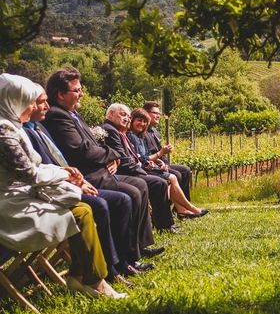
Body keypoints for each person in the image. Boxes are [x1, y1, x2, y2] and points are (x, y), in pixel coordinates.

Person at [0, 73, 125, 299]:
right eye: (30, 101)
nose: (33, 106)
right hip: (11, 207)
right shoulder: (4, 130)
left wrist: (63, 173)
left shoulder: (12, 126)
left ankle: (84, 277)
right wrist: (62, 173)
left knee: (82, 209)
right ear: (14, 100)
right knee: (81, 212)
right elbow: (28, 173)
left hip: (25, 197)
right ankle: (94, 280)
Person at [43, 67, 162, 273]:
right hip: (89, 175)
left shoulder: (73, 114)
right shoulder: (57, 116)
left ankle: (135, 250)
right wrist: (113, 155)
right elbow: (83, 151)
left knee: (140, 185)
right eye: (77, 90)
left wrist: (110, 155)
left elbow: (92, 145)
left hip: (99, 171)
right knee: (131, 192)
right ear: (60, 94)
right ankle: (124, 259)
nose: (82, 94)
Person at [24, 84, 136, 286]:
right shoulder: (28, 129)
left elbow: (60, 158)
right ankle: (107, 270)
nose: (46, 106)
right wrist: (72, 180)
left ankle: (122, 261)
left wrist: (78, 178)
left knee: (123, 198)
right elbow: (40, 169)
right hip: (46, 192)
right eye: (40, 102)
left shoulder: (39, 127)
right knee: (102, 203)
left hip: (69, 181)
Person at [102, 103, 177, 233]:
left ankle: (167, 222)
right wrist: (143, 170)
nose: (127, 119)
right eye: (123, 114)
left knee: (168, 177)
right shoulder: (112, 130)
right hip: (124, 173)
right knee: (158, 182)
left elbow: (133, 157)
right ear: (110, 114)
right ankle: (164, 224)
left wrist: (154, 163)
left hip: (134, 168)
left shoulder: (122, 132)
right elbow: (124, 160)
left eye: (128, 116)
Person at [128, 108, 208, 219]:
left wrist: (158, 161)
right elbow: (141, 158)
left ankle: (181, 209)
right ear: (131, 120)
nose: (142, 124)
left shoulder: (140, 135)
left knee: (180, 173)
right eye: (139, 120)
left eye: (144, 121)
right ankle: (188, 208)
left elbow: (145, 155)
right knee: (173, 177)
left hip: (148, 165)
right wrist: (160, 154)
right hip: (142, 169)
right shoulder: (132, 136)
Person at [142, 101, 193, 202]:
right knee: (177, 174)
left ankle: (183, 206)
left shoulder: (154, 131)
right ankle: (176, 206)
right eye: (155, 113)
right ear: (146, 113)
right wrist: (161, 156)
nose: (158, 116)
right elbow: (146, 155)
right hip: (151, 165)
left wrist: (165, 155)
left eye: (159, 114)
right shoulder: (142, 131)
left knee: (186, 170)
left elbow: (159, 149)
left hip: (161, 163)